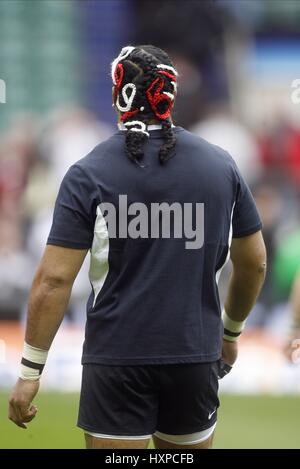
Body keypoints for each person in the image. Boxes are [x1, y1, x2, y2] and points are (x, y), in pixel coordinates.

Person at [8, 45, 266, 449]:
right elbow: (255, 264)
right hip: (194, 355)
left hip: (117, 360)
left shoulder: (88, 171)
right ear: (170, 95)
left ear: (118, 95)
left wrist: (30, 370)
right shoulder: (221, 166)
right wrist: (231, 332)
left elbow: (54, 280)